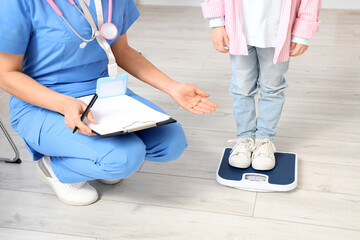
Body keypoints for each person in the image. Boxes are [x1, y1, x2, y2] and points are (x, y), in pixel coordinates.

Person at [0, 0, 218, 206]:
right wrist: (64, 103)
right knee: (123, 157)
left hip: (101, 94)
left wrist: (172, 87)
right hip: (42, 100)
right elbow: (5, 74)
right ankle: (55, 169)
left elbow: (121, 50)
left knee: (171, 142)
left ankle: (96, 160)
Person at [201, 0, 321, 170]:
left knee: (272, 88)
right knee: (241, 88)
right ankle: (245, 138)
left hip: (277, 32)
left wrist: (302, 33)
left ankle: (265, 140)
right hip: (237, 30)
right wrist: (217, 23)